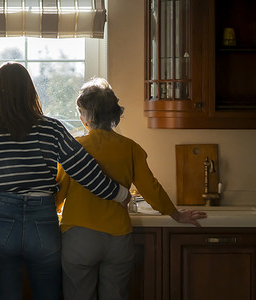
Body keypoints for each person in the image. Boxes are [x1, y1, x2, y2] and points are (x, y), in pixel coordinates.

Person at [0, 63, 131, 300]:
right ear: (31, 92)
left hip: (1, 220)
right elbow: (84, 169)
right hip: (42, 221)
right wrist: (119, 193)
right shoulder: (51, 128)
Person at [56, 78, 207, 300]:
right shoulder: (131, 148)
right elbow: (151, 188)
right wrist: (175, 214)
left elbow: (58, 192)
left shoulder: (75, 148)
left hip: (79, 237)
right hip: (118, 239)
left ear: (86, 116)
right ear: (114, 115)